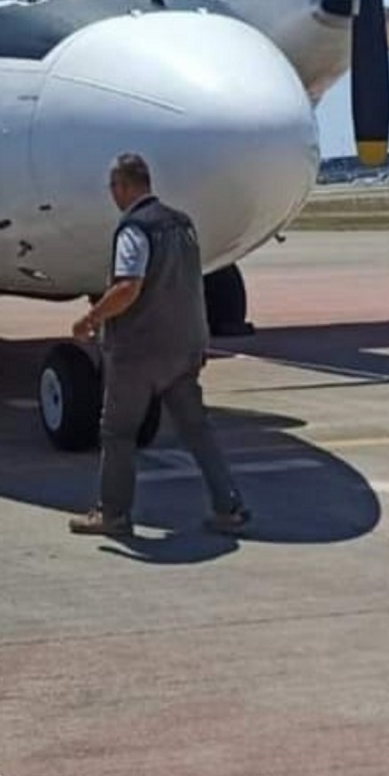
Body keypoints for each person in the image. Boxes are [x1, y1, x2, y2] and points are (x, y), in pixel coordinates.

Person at [66, 152, 249, 538]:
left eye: (114, 187)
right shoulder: (184, 226)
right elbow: (194, 288)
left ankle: (113, 513)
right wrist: (200, 339)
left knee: (118, 433)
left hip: (138, 351)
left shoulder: (135, 229)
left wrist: (91, 319)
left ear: (126, 186)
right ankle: (228, 506)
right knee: (197, 431)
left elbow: (127, 286)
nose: (113, 195)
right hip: (183, 347)